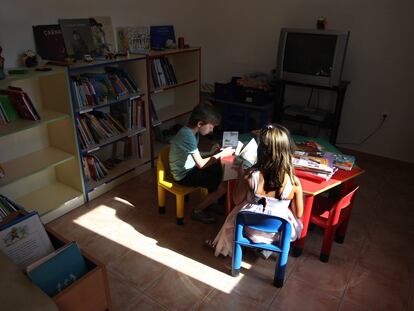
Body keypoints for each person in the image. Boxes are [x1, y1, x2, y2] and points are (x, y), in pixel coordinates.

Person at [208, 124, 303, 257]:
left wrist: (241, 175)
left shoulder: (251, 175)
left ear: (260, 151)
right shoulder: (294, 182)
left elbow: (236, 200)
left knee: (238, 209)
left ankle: (226, 248)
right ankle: (266, 249)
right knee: (285, 212)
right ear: (286, 152)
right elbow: (299, 214)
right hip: (279, 232)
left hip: (249, 228)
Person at [169, 102, 234, 224]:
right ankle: (197, 210)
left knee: (220, 171)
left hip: (190, 168)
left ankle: (210, 202)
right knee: (222, 186)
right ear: (200, 124)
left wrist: (211, 152)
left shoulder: (192, 133)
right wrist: (220, 155)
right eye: (210, 127)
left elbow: (194, 155)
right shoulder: (187, 136)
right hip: (183, 175)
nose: (211, 130)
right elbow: (201, 164)